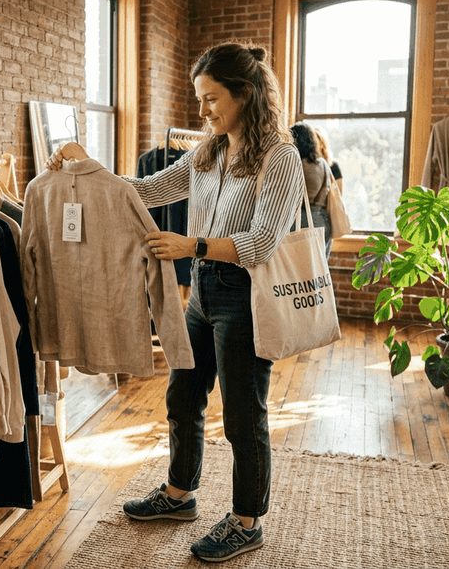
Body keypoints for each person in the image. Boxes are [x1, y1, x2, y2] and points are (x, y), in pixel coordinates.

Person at [44, 41, 305, 563]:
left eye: (211, 99)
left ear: (245, 94)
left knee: (241, 414)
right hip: (203, 293)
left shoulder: (281, 157)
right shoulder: (209, 151)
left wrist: (192, 246)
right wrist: (85, 170)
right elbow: (145, 189)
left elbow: (261, 242)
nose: (202, 111)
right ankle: (180, 495)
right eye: (200, 99)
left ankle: (247, 521)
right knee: (183, 399)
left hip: (243, 296)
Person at [290, 122, 332, 258]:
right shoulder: (323, 164)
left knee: (299, 273)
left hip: (300, 222)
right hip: (322, 221)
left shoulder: (295, 164)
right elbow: (327, 190)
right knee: (319, 273)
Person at [313, 126, 343, 192]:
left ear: (323, 144)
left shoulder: (334, 167)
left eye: (316, 142)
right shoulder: (309, 167)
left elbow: (338, 195)